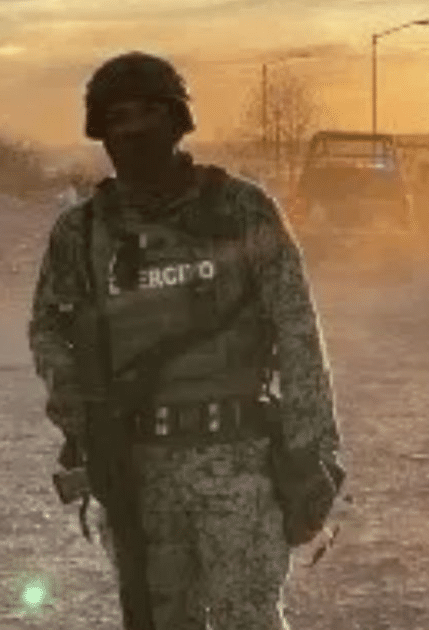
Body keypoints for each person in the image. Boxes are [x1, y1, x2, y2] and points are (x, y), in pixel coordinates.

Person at [28, 51, 344, 630]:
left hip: (238, 463)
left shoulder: (242, 209)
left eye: (148, 113)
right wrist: (86, 424)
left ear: (176, 120)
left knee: (249, 621)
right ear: (101, 131)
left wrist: (312, 451)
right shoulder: (82, 231)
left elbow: (298, 331)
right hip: (135, 468)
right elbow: (49, 334)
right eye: (118, 117)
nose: (133, 130)